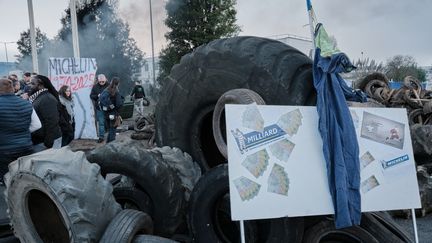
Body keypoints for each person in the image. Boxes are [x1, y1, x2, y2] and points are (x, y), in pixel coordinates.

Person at [0, 78, 35, 181]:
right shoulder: (26, 103)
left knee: (7, 180)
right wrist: (22, 132)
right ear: (12, 89)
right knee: (23, 180)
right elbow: (37, 125)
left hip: (4, 151)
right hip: (26, 147)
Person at [28, 75, 62, 151]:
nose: (30, 86)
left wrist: (48, 142)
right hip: (41, 140)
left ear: (40, 84)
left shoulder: (47, 99)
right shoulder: (38, 97)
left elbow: (52, 122)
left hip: (46, 142)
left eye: (33, 84)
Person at [103, 77, 123, 143]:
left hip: (106, 113)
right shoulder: (116, 92)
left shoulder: (107, 90)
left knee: (110, 129)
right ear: (118, 84)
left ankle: (107, 145)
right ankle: (111, 145)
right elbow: (118, 104)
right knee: (113, 130)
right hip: (113, 113)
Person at [90, 74, 109, 143]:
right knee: (101, 122)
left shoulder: (109, 86)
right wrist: (97, 96)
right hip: (99, 107)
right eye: (100, 82)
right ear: (98, 81)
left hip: (108, 107)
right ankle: (101, 137)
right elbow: (91, 95)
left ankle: (110, 135)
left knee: (109, 121)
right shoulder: (95, 87)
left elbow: (115, 94)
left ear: (105, 80)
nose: (101, 83)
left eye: (103, 82)